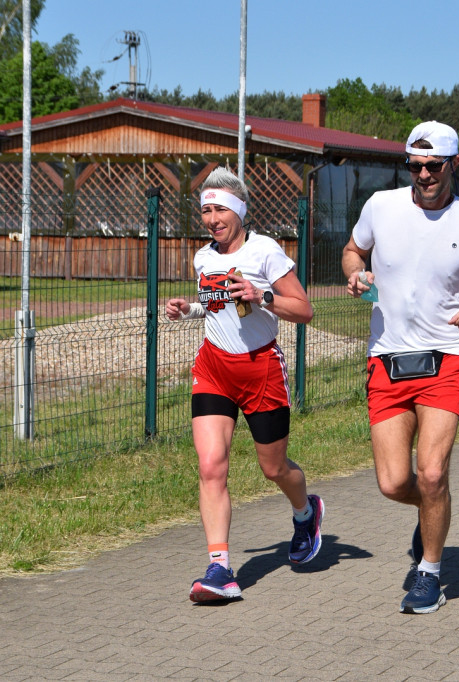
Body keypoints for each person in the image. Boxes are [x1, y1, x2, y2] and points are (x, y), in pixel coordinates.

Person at [342, 121, 459, 614]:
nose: (423, 175)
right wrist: (356, 274)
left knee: (432, 473)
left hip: (445, 356)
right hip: (388, 357)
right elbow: (353, 250)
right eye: (414, 166)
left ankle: (430, 573)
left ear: (453, 165)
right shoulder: (381, 206)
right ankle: (432, 513)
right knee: (395, 483)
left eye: (433, 166)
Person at [165, 167, 321, 603]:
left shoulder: (265, 251)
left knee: (274, 468)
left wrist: (262, 296)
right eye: (206, 211)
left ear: (238, 210)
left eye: (220, 210)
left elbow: (305, 310)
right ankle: (220, 568)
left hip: (261, 370)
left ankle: (306, 513)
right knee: (211, 465)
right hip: (214, 367)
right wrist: (190, 309)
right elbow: (217, 307)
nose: (212, 219)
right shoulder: (203, 257)